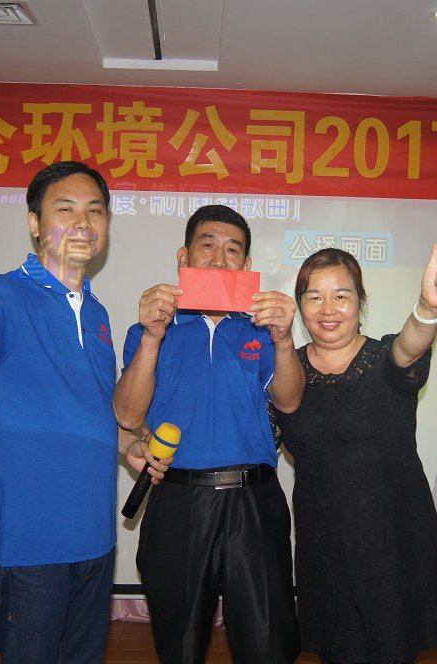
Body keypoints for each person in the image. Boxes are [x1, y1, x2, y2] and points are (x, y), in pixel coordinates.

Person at [0, 161, 165, 664]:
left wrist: (129, 445)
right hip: (29, 544)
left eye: (95, 211)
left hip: (94, 540)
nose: (83, 222)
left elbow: (92, 409)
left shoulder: (97, 313)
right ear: (34, 223)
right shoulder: (7, 291)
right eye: (65, 209)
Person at [113, 204, 304, 664]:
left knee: (266, 644)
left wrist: (283, 339)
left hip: (254, 500)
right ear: (184, 257)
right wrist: (152, 336)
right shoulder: (151, 329)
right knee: (180, 644)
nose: (220, 258)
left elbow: (290, 400)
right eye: (208, 245)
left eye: (233, 250)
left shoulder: (261, 330)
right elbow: (127, 413)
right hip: (179, 499)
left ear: (246, 265)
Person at [272, 246, 437, 664]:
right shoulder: (285, 370)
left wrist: (428, 308)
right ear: (300, 304)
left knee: (393, 648)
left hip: (392, 540)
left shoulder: (383, 359)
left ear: (360, 301)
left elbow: (410, 347)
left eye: (341, 295)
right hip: (324, 545)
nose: (328, 309)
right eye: (314, 296)